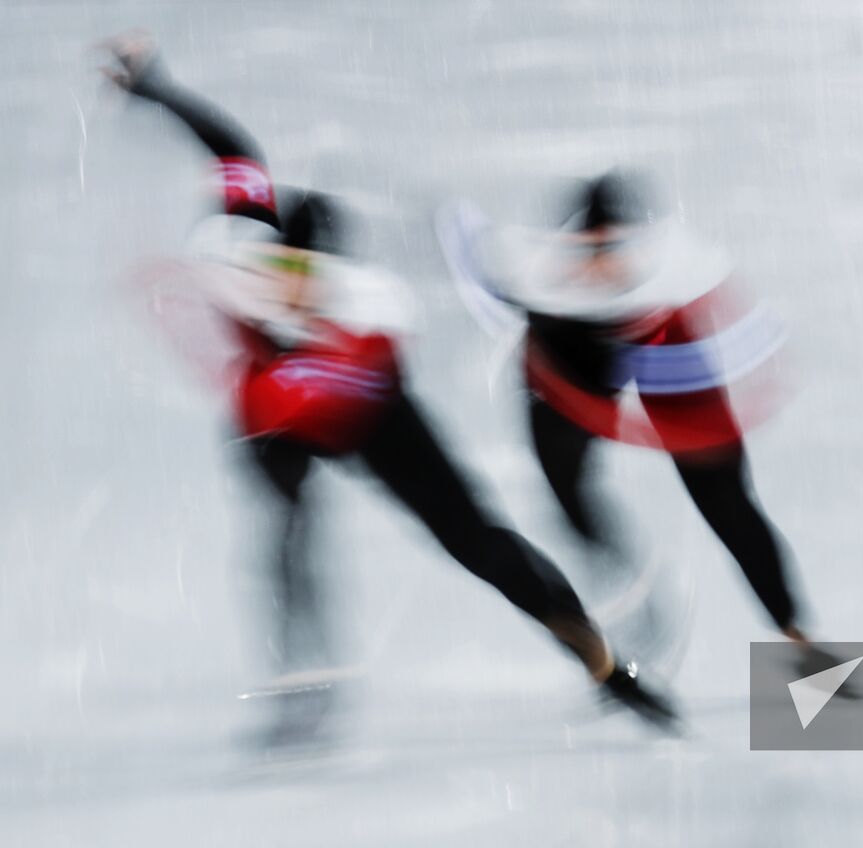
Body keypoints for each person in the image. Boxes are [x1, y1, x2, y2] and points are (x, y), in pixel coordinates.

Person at [98, 32, 677, 742]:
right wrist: (156, 87)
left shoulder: (355, 320)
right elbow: (230, 146)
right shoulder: (244, 246)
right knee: (290, 533)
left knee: (475, 542)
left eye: (315, 286)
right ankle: (304, 681)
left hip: (365, 410)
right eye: (288, 281)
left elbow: (234, 153)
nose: (301, 296)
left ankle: (596, 658)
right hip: (297, 412)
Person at [442, 171, 832, 668]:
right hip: (567, 350)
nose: (607, 264)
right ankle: (631, 592)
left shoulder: (678, 267)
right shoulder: (535, 275)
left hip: (661, 339)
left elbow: (740, 326)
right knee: (566, 488)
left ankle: (795, 632)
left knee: (725, 498)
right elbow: (475, 260)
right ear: (576, 244)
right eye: (595, 249)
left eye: (619, 247)